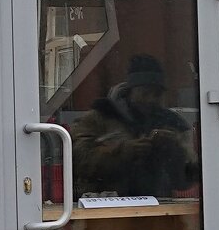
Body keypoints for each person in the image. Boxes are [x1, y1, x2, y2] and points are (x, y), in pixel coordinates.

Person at [72, 53, 197, 199]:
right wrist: (125, 151)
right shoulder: (100, 117)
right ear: (130, 91)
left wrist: (173, 149)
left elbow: (185, 181)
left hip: (159, 208)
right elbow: (78, 163)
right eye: (145, 92)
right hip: (107, 207)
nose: (150, 99)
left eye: (156, 94)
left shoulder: (174, 124)